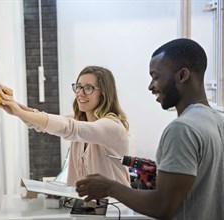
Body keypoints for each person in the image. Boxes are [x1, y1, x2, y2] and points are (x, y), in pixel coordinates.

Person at [76, 39, 224, 219]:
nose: (150, 86)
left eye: (156, 77)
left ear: (182, 75)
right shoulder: (218, 121)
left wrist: (110, 187)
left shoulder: (182, 129)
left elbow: (162, 207)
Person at [0, 66, 131, 187]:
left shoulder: (112, 127)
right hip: (88, 208)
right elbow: (40, 123)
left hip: (116, 209)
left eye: (88, 88)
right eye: (78, 87)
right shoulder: (79, 121)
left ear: (104, 93)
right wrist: (13, 105)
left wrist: (18, 111)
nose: (80, 93)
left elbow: (69, 128)